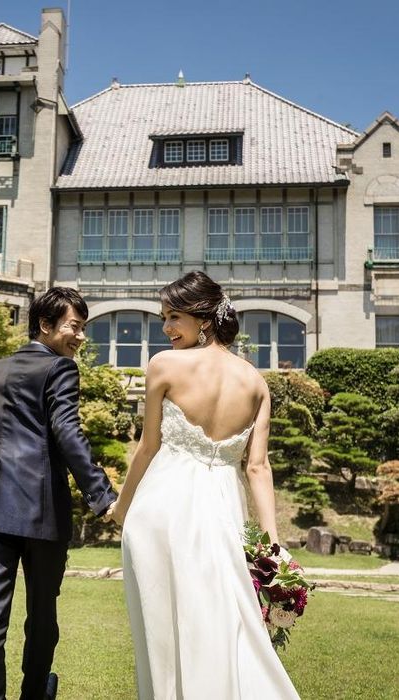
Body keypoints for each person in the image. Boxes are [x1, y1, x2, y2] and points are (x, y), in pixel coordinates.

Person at [106, 271, 300, 699]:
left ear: (205, 319)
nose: (166, 328)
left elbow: (147, 447)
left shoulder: (164, 365)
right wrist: (271, 545)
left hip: (163, 506)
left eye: (174, 317)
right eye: (164, 318)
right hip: (223, 510)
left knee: (164, 628)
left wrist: (121, 507)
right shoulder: (256, 382)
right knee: (225, 617)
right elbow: (257, 468)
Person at [0, 287, 116, 700]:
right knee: (42, 614)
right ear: (45, 325)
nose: (80, 337)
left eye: (83, 328)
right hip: (40, 510)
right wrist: (103, 495)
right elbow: (67, 431)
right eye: (74, 327)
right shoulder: (61, 368)